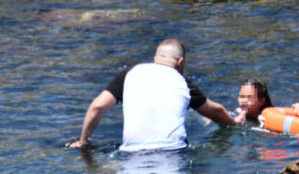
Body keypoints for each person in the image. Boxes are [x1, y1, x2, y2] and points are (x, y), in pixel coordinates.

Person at [69, 38, 236, 150]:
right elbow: (216, 111)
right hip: (173, 152)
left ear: (155, 58)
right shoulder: (182, 81)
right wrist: (235, 124)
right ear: (181, 63)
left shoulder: (130, 73)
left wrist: (82, 142)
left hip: (131, 152)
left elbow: (97, 106)